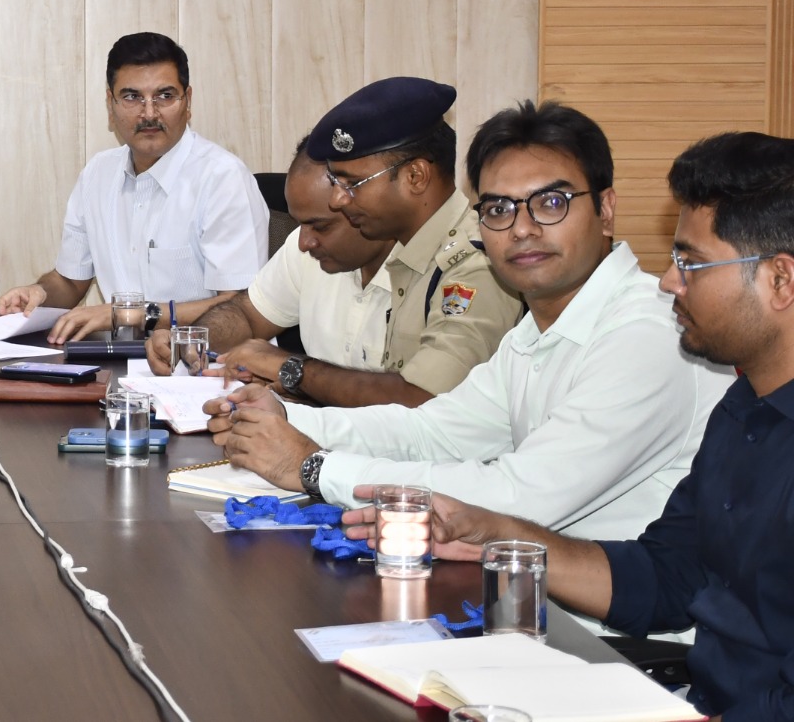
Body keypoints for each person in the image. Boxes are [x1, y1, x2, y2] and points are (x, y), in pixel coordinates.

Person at [342, 132, 794, 720]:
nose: (668, 281)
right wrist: (496, 534)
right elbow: (669, 577)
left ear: (780, 280)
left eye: (692, 264)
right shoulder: (742, 408)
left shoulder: (647, 339)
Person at [204, 101, 732, 552]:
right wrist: (282, 418)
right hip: (523, 593)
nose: (522, 229)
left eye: (551, 203)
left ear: (606, 209)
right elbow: (434, 433)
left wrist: (313, 467)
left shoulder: (648, 332)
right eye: (499, 209)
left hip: (613, 630)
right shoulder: (537, 330)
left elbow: (520, 496)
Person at [259, 76, 522, 406]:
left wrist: (295, 372)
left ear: (415, 177)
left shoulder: (476, 264)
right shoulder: (409, 252)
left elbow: (422, 399)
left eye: (353, 183)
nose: (338, 199)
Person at [0, 32, 269, 344]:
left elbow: (240, 307)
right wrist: (40, 294)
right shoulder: (97, 174)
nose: (149, 113)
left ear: (188, 102)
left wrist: (130, 314)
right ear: (110, 106)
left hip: (205, 362)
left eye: (165, 96)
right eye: (131, 97)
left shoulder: (223, 178)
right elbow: (71, 282)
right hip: (120, 359)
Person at [146, 137, 394, 376]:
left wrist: (293, 374)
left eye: (320, 226)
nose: (304, 243)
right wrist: (189, 341)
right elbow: (246, 316)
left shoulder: (416, 271)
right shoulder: (304, 251)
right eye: (299, 224)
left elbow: (405, 395)